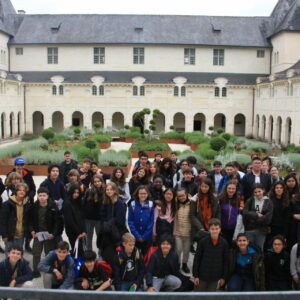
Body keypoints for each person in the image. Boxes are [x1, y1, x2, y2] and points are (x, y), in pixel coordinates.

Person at [29, 187, 60, 278]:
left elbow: (57, 222)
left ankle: (48, 267)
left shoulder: (53, 206)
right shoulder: (34, 206)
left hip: (48, 234)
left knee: (49, 252)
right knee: (36, 252)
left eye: (44, 195)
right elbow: (30, 220)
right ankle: (36, 269)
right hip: (38, 234)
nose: (42, 197)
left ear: (47, 196)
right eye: (40, 195)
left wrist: (53, 234)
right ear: (37, 196)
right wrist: (32, 230)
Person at [193, 218, 228, 292]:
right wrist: (196, 275)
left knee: (210, 296)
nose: (214, 231)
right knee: (198, 295)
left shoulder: (224, 243)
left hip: (215, 277)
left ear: (220, 229)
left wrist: (223, 277)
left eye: (216, 228)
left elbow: (225, 261)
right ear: (209, 230)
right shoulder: (202, 242)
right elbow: (197, 259)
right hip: (202, 276)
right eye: (212, 229)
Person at [97, 182, 127, 266]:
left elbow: (120, 221)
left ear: (115, 191)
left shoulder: (119, 203)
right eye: (107, 189)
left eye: (111, 189)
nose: (109, 191)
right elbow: (102, 216)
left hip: (116, 234)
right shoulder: (105, 201)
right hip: (106, 232)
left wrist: (109, 224)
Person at [0, 182, 32, 252]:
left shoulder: (28, 205)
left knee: (18, 254)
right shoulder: (7, 204)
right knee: (9, 255)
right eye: (20, 190)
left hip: (21, 235)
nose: (22, 192)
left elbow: (29, 220)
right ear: (16, 191)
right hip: (9, 234)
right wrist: (4, 235)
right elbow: (3, 221)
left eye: (24, 190)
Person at [242, 183, 273, 251]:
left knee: (259, 248)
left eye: (259, 191)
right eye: (255, 192)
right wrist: (256, 215)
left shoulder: (268, 202)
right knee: (249, 248)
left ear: (263, 190)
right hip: (250, 229)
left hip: (261, 230)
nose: (257, 194)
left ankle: (259, 262)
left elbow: (268, 218)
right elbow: (245, 213)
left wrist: (254, 220)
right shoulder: (250, 200)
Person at [128, 186, 154, 255]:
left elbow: (151, 222)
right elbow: (130, 221)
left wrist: (144, 236)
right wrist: (137, 235)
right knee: (136, 255)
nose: (143, 195)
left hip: (147, 237)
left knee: (146, 256)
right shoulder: (133, 204)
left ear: (147, 194)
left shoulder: (151, 204)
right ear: (137, 194)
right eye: (141, 193)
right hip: (135, 237)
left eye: (144, 193)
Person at [62, 184, 86, 256]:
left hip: (81, 232)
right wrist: (78, 233)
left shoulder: (78, 202)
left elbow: (82, 217)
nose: (76, 194)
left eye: (78, 193)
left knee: (81, 251)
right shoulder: (66, 203)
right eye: (74, 192)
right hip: (73, 232)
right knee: (77, 251)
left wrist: (84, 231)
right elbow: (69, 220)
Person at [82, 174, 103, 251]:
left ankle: (101, 253)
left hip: (99, 219)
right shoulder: (89, 191)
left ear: (101, 182)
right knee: (88, 237)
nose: (97, 183)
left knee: (100, 237)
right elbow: (84, 204)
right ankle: (88, 252)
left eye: (98, 181)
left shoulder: (104, 191)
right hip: (89, 219)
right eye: (95, 182)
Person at [174, 188, 192, 274]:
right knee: (178, 250)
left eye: (183, 195)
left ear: (187, 195)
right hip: (178, 232)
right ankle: (177, 264)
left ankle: (184, 264)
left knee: (186, 250)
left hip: (188, 232)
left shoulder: (192, 204)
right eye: (179, 196)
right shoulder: (176, 205)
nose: (181, 197)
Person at [218, 181, 241, 246]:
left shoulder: (238, 199)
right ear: (226, 188)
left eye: (233, 188)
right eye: (229, 188)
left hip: (233, 228)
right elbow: (217, 213)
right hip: (222, 227)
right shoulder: (220, 198)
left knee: (230, 245)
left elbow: (238, 213)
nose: (231, 190)